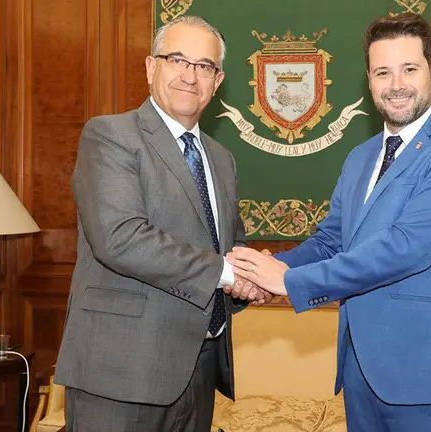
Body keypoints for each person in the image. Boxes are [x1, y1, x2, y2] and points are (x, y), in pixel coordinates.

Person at [226, 12, 431, 432]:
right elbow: (331, 242)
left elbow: (407, 247)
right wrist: (259, 272)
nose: (396, 85)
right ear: (369, 81)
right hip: (362, 375)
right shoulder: (361, 157)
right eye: (382, 72)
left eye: (409, 69)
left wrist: (290, 282)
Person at [54, 15, 271, 431]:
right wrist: (228, 273)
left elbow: (229, 245)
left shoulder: (221, 159)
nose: (190, 76)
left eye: (204, 66)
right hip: (122, 374)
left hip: (200, 371)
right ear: (151, 67)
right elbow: (120, 239)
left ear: (218, 80)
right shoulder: (111, 135)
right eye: (178, 60)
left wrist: (251, 278)